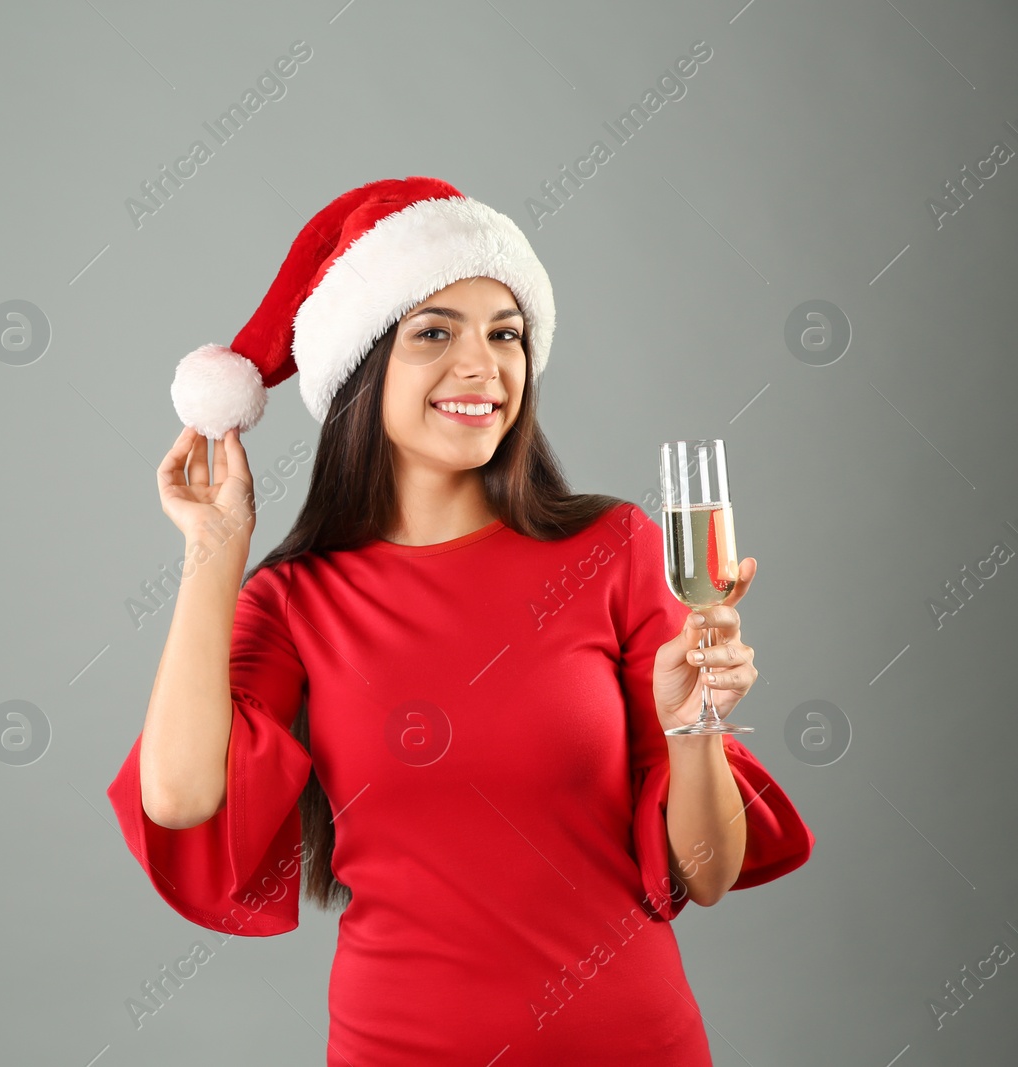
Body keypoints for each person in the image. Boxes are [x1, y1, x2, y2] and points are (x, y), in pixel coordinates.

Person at [105, 176, 814, 1064]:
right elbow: (178, 796)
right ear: (362, 365)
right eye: (434, 332)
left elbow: (705, 873)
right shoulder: (295, 601)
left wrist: (696, 721)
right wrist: (215, 547)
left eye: (505, 334)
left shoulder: (616, 547)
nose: (483, 364)